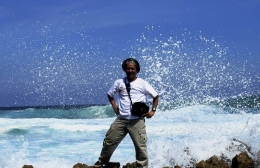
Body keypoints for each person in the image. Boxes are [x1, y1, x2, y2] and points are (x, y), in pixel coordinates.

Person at [94, 58, 159, 168]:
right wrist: (115, 107)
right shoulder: (119, 83)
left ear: (137, 70)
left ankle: (142, 166)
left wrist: (153, 110)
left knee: (140, 146)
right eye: (128, 68)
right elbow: (110, 95)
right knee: (109, 141)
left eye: (132, 68)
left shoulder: (142, 83)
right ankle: (100, 163)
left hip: (137, 121)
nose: (130, 70)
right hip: (121, 119)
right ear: (124, 69)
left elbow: (156, 96)